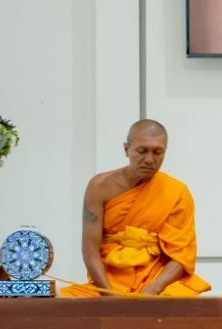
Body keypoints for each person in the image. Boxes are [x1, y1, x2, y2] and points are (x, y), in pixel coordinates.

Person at [60, 120, 212, 297]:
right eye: (142, 151)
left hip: (156, 281)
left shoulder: (177, 193)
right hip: (109, 280)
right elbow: (90, 248)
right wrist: (109, 293)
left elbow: (181, 255)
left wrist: (152, 291)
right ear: (127, 149)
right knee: (66, 302)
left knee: (178, 303)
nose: (149, 159)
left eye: (157, 152)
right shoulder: (99, 186)